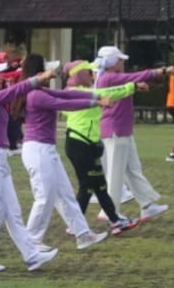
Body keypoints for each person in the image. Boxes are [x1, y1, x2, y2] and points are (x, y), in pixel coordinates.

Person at [0, 59, 59, 272]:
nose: (1, 77)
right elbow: (14, 91)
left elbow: (11, 91)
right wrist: (39, 78)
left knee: (12, 212)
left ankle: (32, 256)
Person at [17, 54, 110, 250]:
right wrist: (95, 101)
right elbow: (65, 104)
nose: (53, 73)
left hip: (45, 150)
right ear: (39, 72)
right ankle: (32, 240)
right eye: (48, 70)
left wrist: (94, 96)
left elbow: (66, 95)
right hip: (38, 150)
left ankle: (83, 235)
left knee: (65, 194)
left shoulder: (40, 90)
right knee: (45, 197)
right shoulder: (36, 94)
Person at [62, 60, 143, 236]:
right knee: (90, 186)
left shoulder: (77, 92)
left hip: (85, 145)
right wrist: (133, 87)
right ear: (82, 75)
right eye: (91, 73)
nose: (94, 76)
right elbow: (106, 92)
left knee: (96, 187)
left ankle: (112, 221)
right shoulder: (80, 93)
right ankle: (81, 224)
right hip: (80, 145)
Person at [94, 46, 173, 221]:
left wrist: (137, 86)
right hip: (115, 130)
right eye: (120, 60)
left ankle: (147, 205)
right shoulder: (108, 78)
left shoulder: (108, 77)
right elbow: (133, 78)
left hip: (122, 130)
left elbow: (129, 83)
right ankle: (109, 211)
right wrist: (162, 71)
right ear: (113, 62)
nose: (123, 62)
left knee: (133, 170)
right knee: (116, 173)